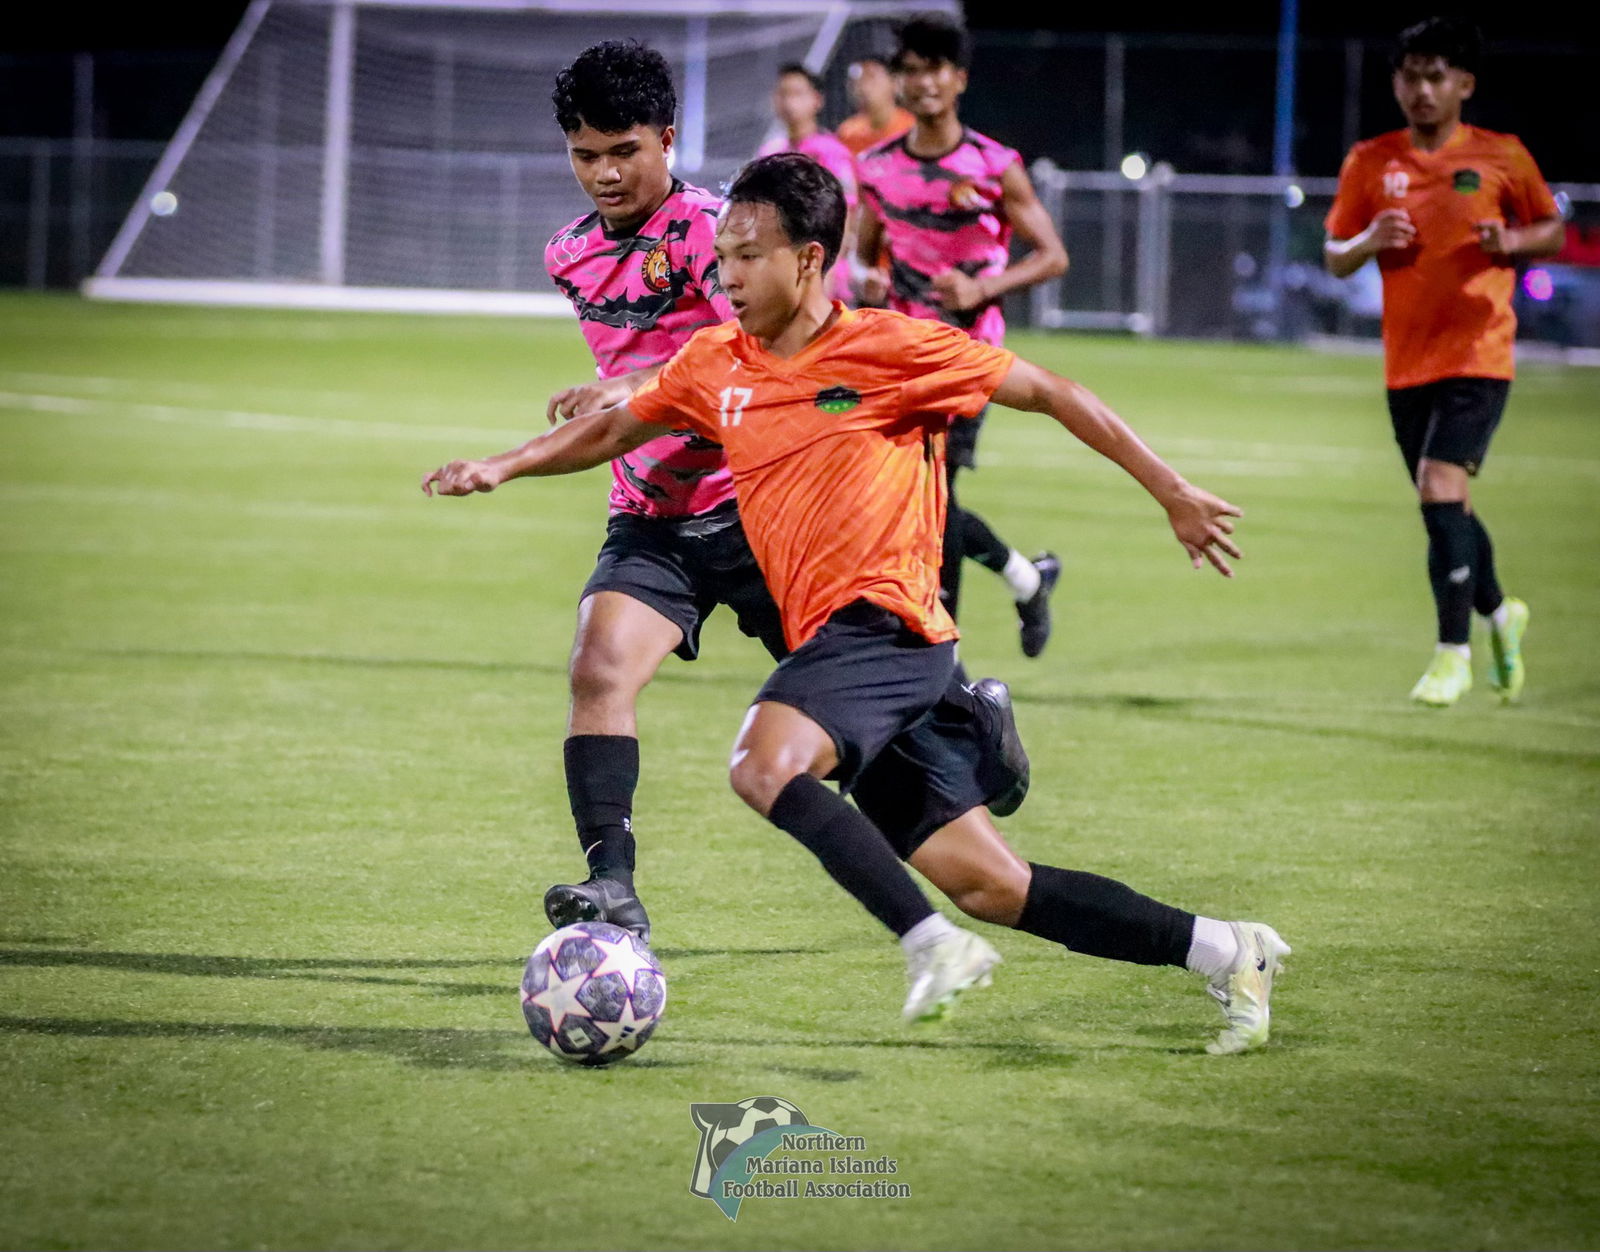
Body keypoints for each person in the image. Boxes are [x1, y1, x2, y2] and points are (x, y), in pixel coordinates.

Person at [423, 153, 1290, 1055]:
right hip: (837, 651)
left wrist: (1173, 492)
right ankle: (1228, 950)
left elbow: (1052, 393)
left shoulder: (893, 348)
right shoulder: (719, 360)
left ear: (808, 258)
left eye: (747, 257)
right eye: (721, 256)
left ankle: (933, 946)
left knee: (762, 764)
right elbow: (613, 428)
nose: (726, 276)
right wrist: (506, 464)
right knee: (992, 884)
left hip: (890, 628)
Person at [519, 40, 1024, 949]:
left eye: (623, 150)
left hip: (760, 512)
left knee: (863, 734)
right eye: (584, 154)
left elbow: (754, 360)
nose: (603, 173)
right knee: (599, 667)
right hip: (653, 513)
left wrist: (631, 387)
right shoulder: (567, 253)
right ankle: (613, 886)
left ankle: (964, 723)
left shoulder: (726, 232)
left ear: (666, 139)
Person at [1324, 17, 1562, 707]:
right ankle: (1499, 613)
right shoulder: (1371, 160)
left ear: (1465, 84)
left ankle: (1451, 654)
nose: (1422, 90)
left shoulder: (1502, 155)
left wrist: (1512, 239)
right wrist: (1371, 237)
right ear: (1397, 83)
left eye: (1436, 76)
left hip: (1480, 353)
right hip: (1407, 364)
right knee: (1445, 506)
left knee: (1438, 487)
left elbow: (1548, 227)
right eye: (1410, 76)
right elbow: (1336, 257)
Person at [855, 12, 1070, 659]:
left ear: (960, 80)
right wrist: (865, 279)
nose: (922, 83)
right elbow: (864, 255)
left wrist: (983, 288)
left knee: (933, 499)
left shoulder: (994, 164)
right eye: (911, 71)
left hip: (969, 357)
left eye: (935, 70)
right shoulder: (878, 167)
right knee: (915, 502)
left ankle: (936, 646)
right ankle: (1026, 581)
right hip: (898, 357)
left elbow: (1052, 255)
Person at [759, 63, 859, 305]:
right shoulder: (770, 153)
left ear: (816, 100)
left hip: (823, 272)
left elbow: (846, 213)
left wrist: (830, 267)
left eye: (798, 93)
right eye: (783, 94)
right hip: (781, 271)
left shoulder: (833, 153)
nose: (789, 102)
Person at [835, 51, 913, 157]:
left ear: (894, 83)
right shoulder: (847, 133)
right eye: (858, 80)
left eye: (872, 77)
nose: (863, 86)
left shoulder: (911, 127)